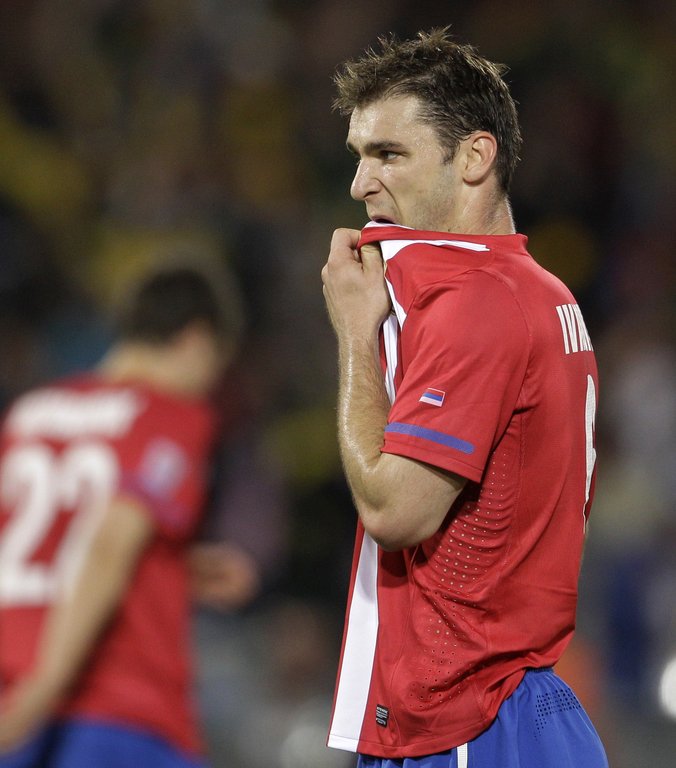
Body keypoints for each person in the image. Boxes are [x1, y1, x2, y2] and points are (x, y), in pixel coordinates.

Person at [321, 28, 608, 768]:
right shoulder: (537, 290)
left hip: (468, 716)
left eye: (389, 154)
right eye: (358, 155)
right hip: (515, 701)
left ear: (475, 157)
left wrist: (355, 336)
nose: (360, 185)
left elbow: (396, 513)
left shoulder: (477, 302)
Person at [0, 259, 242, 768]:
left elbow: (47, 544)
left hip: (11, 694)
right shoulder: (169, 414)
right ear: (197, 341)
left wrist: (175, 568)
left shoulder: (29, 414)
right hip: (118, 706)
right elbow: (109, 543)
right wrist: (44, 687)